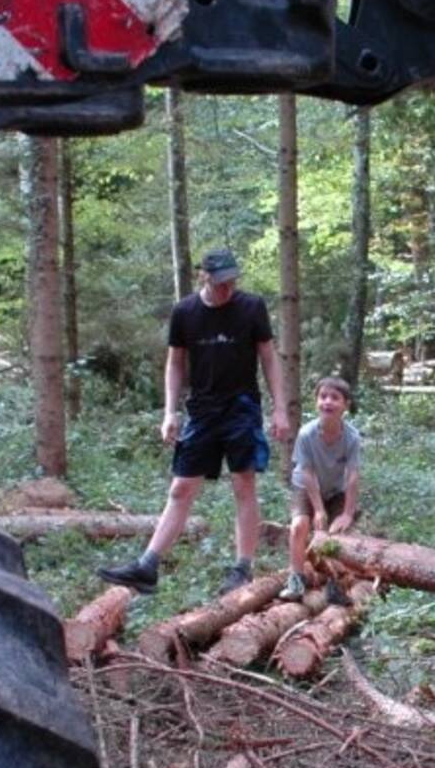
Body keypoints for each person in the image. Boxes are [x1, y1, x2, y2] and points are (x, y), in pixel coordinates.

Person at [99, 248, 291, 595]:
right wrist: (170, 412)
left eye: (232, 281)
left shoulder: (252, 307)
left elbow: (268, 357)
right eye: (220, 283)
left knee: (243, 484)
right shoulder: (185, 312)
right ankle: (148, 566)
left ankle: (243, 568)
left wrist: (280, 408)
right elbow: (175, 363)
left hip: (242, 407)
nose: (227, 289)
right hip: (202, 410)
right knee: (181, 488)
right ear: (204, 276)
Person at [283, 373, 362, 602]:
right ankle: (296, 581)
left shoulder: (352, 438)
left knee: (337, 534)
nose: (328, 401)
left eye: (335, 397)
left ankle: (335, 584)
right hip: (306, 487)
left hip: (336, 490)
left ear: (345, 405)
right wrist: (318, 509)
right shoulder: (306, 434)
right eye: (323, 396)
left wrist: (347, 513)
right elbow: (307, 473)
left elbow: (353, 476)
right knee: (299, 526)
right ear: (316, 401)